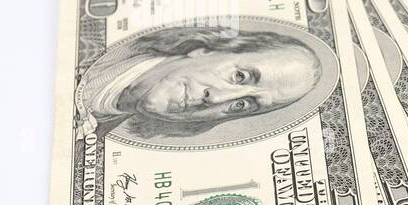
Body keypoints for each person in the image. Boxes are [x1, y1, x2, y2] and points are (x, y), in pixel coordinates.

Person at [82, 25, 324, 141]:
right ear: (207, 50)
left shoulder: (96, 136)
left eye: (242, 105)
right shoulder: (88, 50)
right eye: (239, 76)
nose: (217, 98)